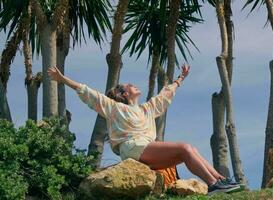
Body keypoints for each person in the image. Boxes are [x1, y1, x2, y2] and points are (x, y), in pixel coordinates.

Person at [47, 64, 244, 195]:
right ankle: (213, 186)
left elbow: (164, 96)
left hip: (146, 147)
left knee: (190, 149)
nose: (134, 85)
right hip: (132, 148)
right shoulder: (116, 108)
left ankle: (221, 180)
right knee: (185, 148)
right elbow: (90, 93)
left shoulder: (146, 109)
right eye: (130, 86)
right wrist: (62, 79)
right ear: (124, 94)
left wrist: (180, 79)